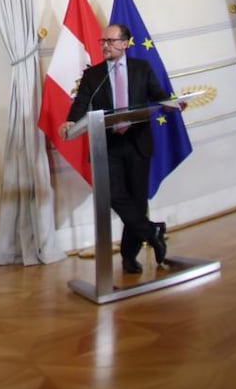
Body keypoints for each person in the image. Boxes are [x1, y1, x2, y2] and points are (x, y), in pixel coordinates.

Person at [58, 22, 170, 275]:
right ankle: (151, 231)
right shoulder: (93, 75)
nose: (105, 46)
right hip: (107, 145)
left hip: (138, 143)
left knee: (137, 201)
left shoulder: (142, 68)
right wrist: (71, 121)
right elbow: (81, 102)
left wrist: (172, 104)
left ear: (125, 43)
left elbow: (158, 94)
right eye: (103, 42)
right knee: (111, 195)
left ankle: (130, 257)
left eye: (110, 41)